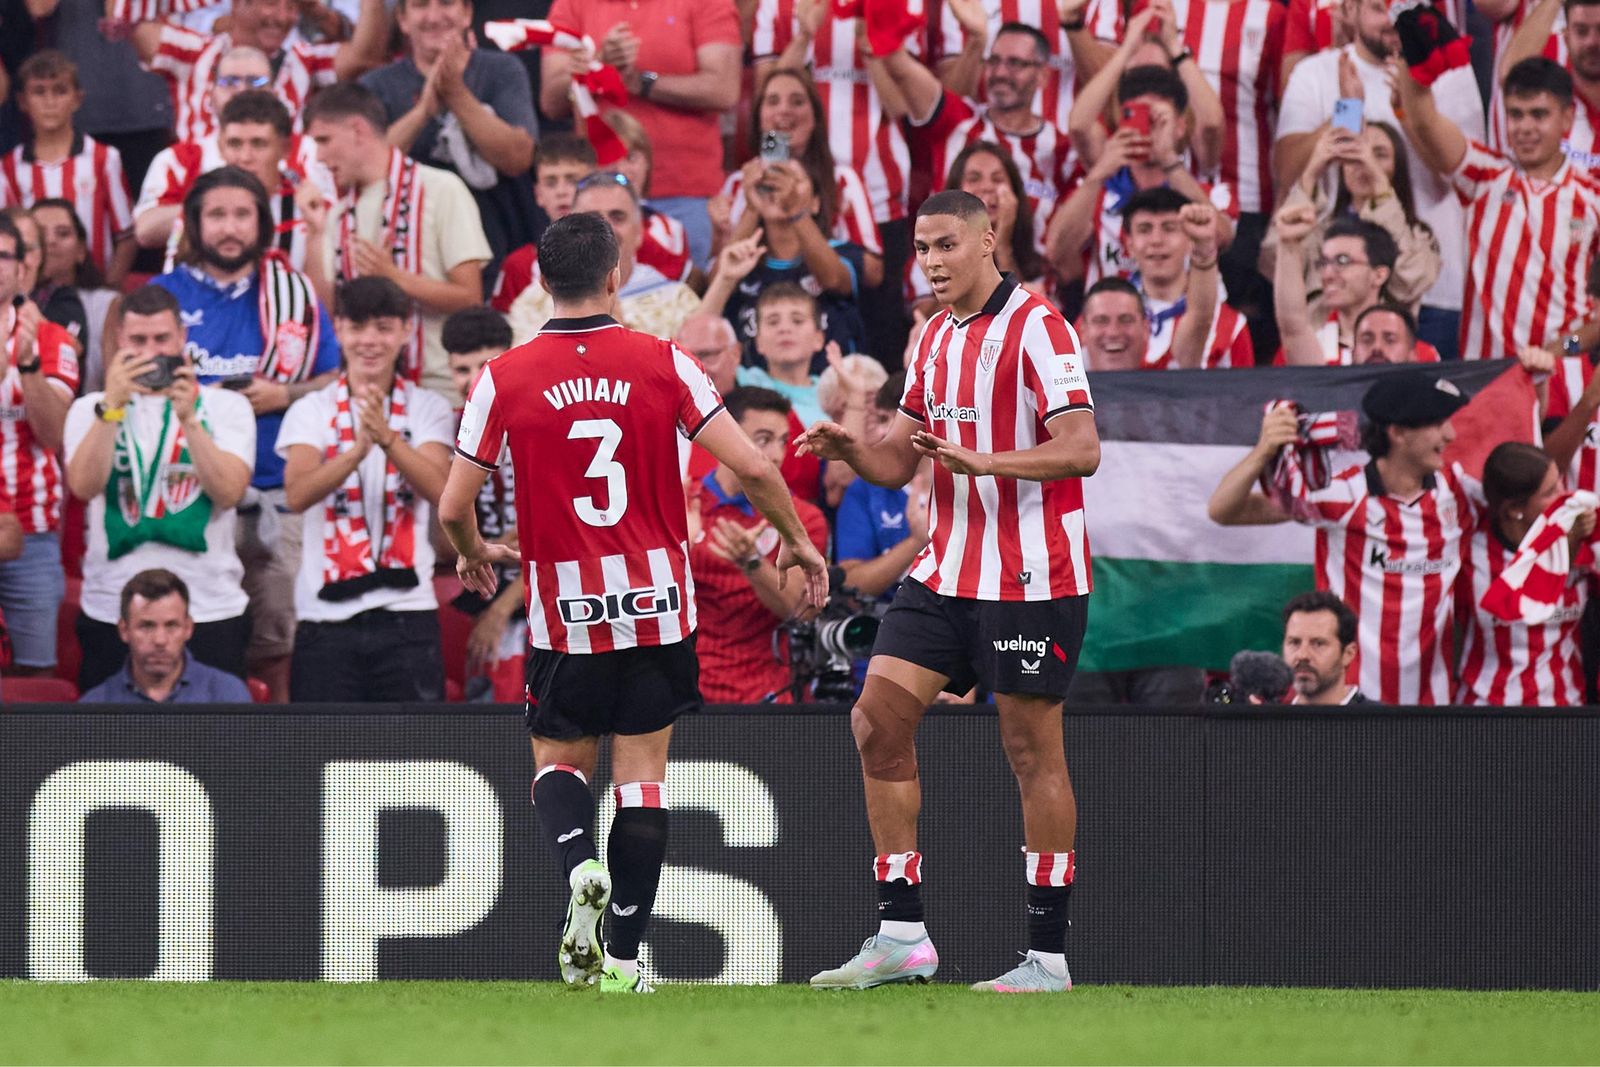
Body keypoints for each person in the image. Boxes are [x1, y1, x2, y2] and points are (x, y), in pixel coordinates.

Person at [441, 211, 827, 993]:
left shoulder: (503, 376)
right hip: (658, 601)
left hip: (565, 609)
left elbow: (455, 505)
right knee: (644, 775)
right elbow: (752, 464)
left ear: (541, 283)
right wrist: (799, 538)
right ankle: (619, 959)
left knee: (558, 761)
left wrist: (474, 552)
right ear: (616, 276)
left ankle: (581, 865)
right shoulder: (664, 360)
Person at [797, 190, 1099, 993]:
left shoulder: (1042, 329)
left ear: (986, 239)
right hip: (946, 569)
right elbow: (902, 460)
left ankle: (1048, 957)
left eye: (945, 245)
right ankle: (902, 934)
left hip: (1032, 575)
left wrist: (988, 462)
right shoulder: (931, 337)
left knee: (1032, 751)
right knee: (875, 721)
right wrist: (853, 450)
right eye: (921, 248)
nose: (931, 261)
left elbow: (1082, 448)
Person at [151, 166, 343, 701]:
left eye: (242, 214)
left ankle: (270, 755)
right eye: (216, 215)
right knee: (183, 635)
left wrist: (286, 395)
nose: (229, 227)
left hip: (277, 491)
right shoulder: (160, 296)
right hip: (181, 491)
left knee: (277, 637)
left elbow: (333, 382)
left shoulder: (293, 294)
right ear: (193, 223)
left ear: (263, 224)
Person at [1207, 371, 1475, 705]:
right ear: (1399, 433)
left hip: (1431, 703)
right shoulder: (1344, 496)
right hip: (1350, 703)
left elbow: (1528, 495)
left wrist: (1558, 351)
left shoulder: (1458, 489)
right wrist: (1264, 450)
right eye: (1437, 423)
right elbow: (1223, 511)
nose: (1450, 434)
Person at [63, 284, 255, 693]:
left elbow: (229, 492)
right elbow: (83, 485)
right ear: (119, 341)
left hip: (209, 606)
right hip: (112, 608)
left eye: (162, 339)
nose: (151, 352)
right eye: (138, 340)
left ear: (182, 339)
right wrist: (111, 409)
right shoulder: (89, 409)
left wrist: (189, 420)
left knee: (222, 749)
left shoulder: (225, 407)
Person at [278, 277, 456, 702]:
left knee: (414, 758)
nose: (370, 341)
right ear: (338, 330)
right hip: (325, 615)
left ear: (404, 331)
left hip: (407, 612)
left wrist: (389, 441)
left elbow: (443, 492)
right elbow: (297, 494)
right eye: (358, 328)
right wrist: (356, 452)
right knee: (323, 756)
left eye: (383, 327)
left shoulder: (427, 406)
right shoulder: (311, 409)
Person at [1274, 0, 1482, 358]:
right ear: (1350, 10)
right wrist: (1348, 112)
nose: (1393, 19)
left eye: (1404, 5)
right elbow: (1287, 169)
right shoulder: (1316, 72)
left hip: (1432, 286)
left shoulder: (1451, 69)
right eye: (1378, 7)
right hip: (1335, 291)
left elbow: (1461, 175)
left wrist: (1411, 108)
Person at [297, 83, 492, 404]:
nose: (319, 156)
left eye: (323, 140)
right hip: (367, 393)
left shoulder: (441, 189)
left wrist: (395, 278)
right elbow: (329, 313)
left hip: (441, 390)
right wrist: (316, 236)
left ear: (357, 129)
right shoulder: (338, 214)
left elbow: (470, 298)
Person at [1398, 54, 1600, 361]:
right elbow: (1425, 121)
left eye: (1539, 114)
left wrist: (1562, 350)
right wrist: (1410, 53)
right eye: (1516, 115)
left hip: (1564, 379)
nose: (1525, 127)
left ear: (1568, 118)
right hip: (1486, 377)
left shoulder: (1593, 196)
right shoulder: (1483, 175)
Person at [540, 0, 741, 269]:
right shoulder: (572, 4)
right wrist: (597, 64)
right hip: (598, 196)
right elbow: (552, 102)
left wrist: (640, 82)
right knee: (593, 298)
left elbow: (724, 88)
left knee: (687, 300)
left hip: (686, 195)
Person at [876, 16, 1078, 270]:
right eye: (994, 61)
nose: (1001, 72)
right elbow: (899, 66)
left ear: (1042, 76)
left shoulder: (1061, 151)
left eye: (1015, 63)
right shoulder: (957, 121)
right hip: (943, 281)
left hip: (1031, 286)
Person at [361, 0, 539, 267]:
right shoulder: (376, 85)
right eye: (420, 6)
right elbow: (365, 166)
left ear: (467, 13)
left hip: (499, 240)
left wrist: (455, 92)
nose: (434, 16)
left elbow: (518, 158)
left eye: (446, 3)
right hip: (405, 249)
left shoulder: (503, 70)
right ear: (402, 20)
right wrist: (423, 112)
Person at [688, 386, 831, 703]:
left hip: (768, 695)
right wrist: (678, 550)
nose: (778, 454)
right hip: (687, 691)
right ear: (726, 439)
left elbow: (802, 610)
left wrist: (752, 563)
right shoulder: (683, 504)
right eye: (763, 439)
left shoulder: (803, 520)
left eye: (783, 440)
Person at [1051, 61, 1234, 287]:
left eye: (1157, 120)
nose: (1147, 130)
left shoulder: (1207, 194)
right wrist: (1099, 173)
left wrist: (1168, 159)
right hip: (1110, 317)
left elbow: (1221, 238)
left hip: (1183, 317)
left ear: (1179, 127)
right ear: (1122, 123)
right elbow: (1057, 251)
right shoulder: (1097, 193)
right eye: (1137, 117)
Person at [130, 0, 390, 144]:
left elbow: (363, 56)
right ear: (237, 5)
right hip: (201, 190)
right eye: (272, 3)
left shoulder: (301, 60)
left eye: (291, 8)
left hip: (279, 197)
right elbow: (129, 19)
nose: (282, 16)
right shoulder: (194, 52)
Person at [712, 67, 882, 288]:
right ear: (758, 118)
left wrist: (798, 214)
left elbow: (872, 274)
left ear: (815, 118)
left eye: (797, 101)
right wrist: (752, 209)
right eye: (772, 101)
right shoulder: (737, 184)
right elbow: (715, 281)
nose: (783, 110)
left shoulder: (841, 180)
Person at [1456, 441, 1598, 705]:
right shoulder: (1470, 555)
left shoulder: (1583, 541)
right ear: (1513, 509)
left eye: (1560, 483)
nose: (1565, 496)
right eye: (1550, 492)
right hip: (1486, 710)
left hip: (1564, 708)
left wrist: (1575, 542)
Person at [136, 89, 331, 274]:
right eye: (235, 144)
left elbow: (320, 305)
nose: (245, 157)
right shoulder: (196, 208)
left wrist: (317, 234)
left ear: (285, 148)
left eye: (259, 144)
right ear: (221, 146)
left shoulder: (307, 208)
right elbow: (176, 289)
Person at [0, 214, 78, 679]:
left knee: (36, 681)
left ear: (22, 268)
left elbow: (55, 435)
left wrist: (27, 367)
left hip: (32, 534)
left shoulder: (51, 338)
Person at [1261, 120, 1441, 318]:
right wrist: (1310, 174)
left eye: (1379, 155)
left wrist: (1382, 193)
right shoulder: (1319, 231)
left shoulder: (1419, 236)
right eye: (1353, 154)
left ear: (1397, 167)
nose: (1364, 162)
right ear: (1341, 167)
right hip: (1319, 342)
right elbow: (1273, 263)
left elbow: (1410, 281)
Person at [440, 306, 524, 703]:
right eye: (461, 370)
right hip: (481, 593)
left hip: (544, 599)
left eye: (484, 365)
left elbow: (558, 534)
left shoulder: (534, 423)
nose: (473, 381)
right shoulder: (446, 428)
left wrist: (501, 610)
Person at [507, 171, 699, 343]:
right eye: (592, 218)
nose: (606, 228)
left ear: (640, 231)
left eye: (618, 217)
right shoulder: (532, 304)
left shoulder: (676, 301)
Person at [0, 51, 135, 289]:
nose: (50, 102)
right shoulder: (9, 167)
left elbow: (126, 236)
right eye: (39, 92)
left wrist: (108, 288)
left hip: (92, 290)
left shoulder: (104, 159)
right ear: (22, 101)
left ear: (77, 99)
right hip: (32, 294)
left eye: (60, 91)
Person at [1274, 211, 1441, 365]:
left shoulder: (1420, 355)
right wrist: (1288, 244)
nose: (1327, 275)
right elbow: (1292, 324)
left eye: (1343, 261)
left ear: (1379, 275)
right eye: (1324, 263)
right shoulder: (1307, 347)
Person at [78, 569, 254, 704]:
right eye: (146, 626)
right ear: (124, 630)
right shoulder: (96, 703)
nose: (160, 640)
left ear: (188, 628)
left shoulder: (227, 694)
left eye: (171, 626)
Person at [1118, 189, 1248, 369]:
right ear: (1129, 244)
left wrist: (1204, 249)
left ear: (1190, 240)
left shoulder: (1231, 325)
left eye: (1169, 228)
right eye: (1145, 229)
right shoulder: (1101, 317)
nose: (1156, 240)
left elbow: (1245, 394)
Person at [490, 134, 596, 315]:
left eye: (572, 180)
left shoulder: (631, 248)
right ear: (538, 194)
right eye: (551, 183)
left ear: (596, 185)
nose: (561, 191)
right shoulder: (518, 265)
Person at [1496, 0, 1600, 166]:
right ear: (1566, 38)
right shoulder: (1553, 92)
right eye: (1581, 31)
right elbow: (1511, 77)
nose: (1592, 42)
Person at [31, 198, 118, 390]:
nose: (50, 241)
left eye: (62, 233)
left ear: (81, 251)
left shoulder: (107, 304)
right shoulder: (9, 300)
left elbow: (117, 383)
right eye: (40, 234)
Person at [1280, 589, 1366, 705]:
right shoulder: (1266, 720)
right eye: (1295, 642)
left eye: (1318, 644)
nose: (1302, 655)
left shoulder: (1381, 721)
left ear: (1348, 654)